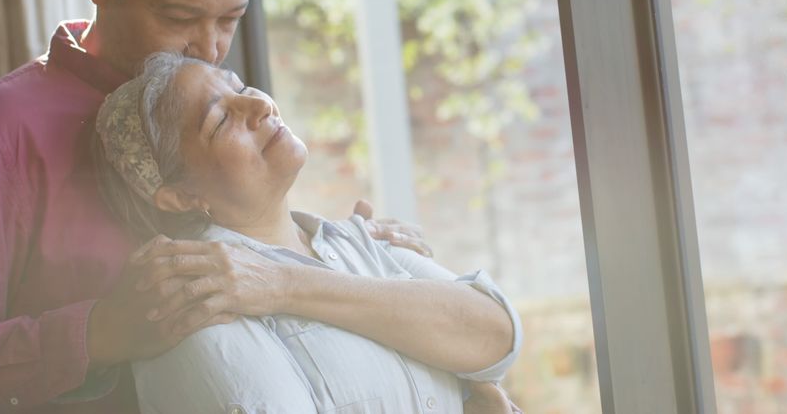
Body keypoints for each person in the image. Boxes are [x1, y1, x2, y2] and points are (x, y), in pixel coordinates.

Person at [0, 0, 429, 412]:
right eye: (180, 17)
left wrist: (351, 257)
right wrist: (97, 333)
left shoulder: (221, 98)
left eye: (230, 19)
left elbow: (261, 261)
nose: (209, 49)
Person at [92, 52, 523, 413]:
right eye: (222, 121)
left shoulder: (358, 242)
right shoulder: (198, 292)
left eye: (241, 89)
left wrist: (283, 284)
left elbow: (497, 336)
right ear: (179, 196)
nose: (259, 105)